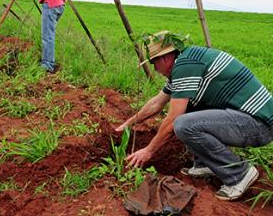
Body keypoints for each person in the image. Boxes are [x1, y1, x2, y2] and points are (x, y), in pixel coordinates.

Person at [116, 31, 273, 201]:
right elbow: (157, 103)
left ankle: (239, 174)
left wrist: (149, 150)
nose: (156, 70)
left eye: (154, 63)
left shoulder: (186, 66)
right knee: (188, 107)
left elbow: (173, 120)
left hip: (259, 125)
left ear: (165, 58)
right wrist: (128, 124)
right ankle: (205, 163)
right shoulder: (185, 63)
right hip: (245, 120)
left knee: (183, 124)